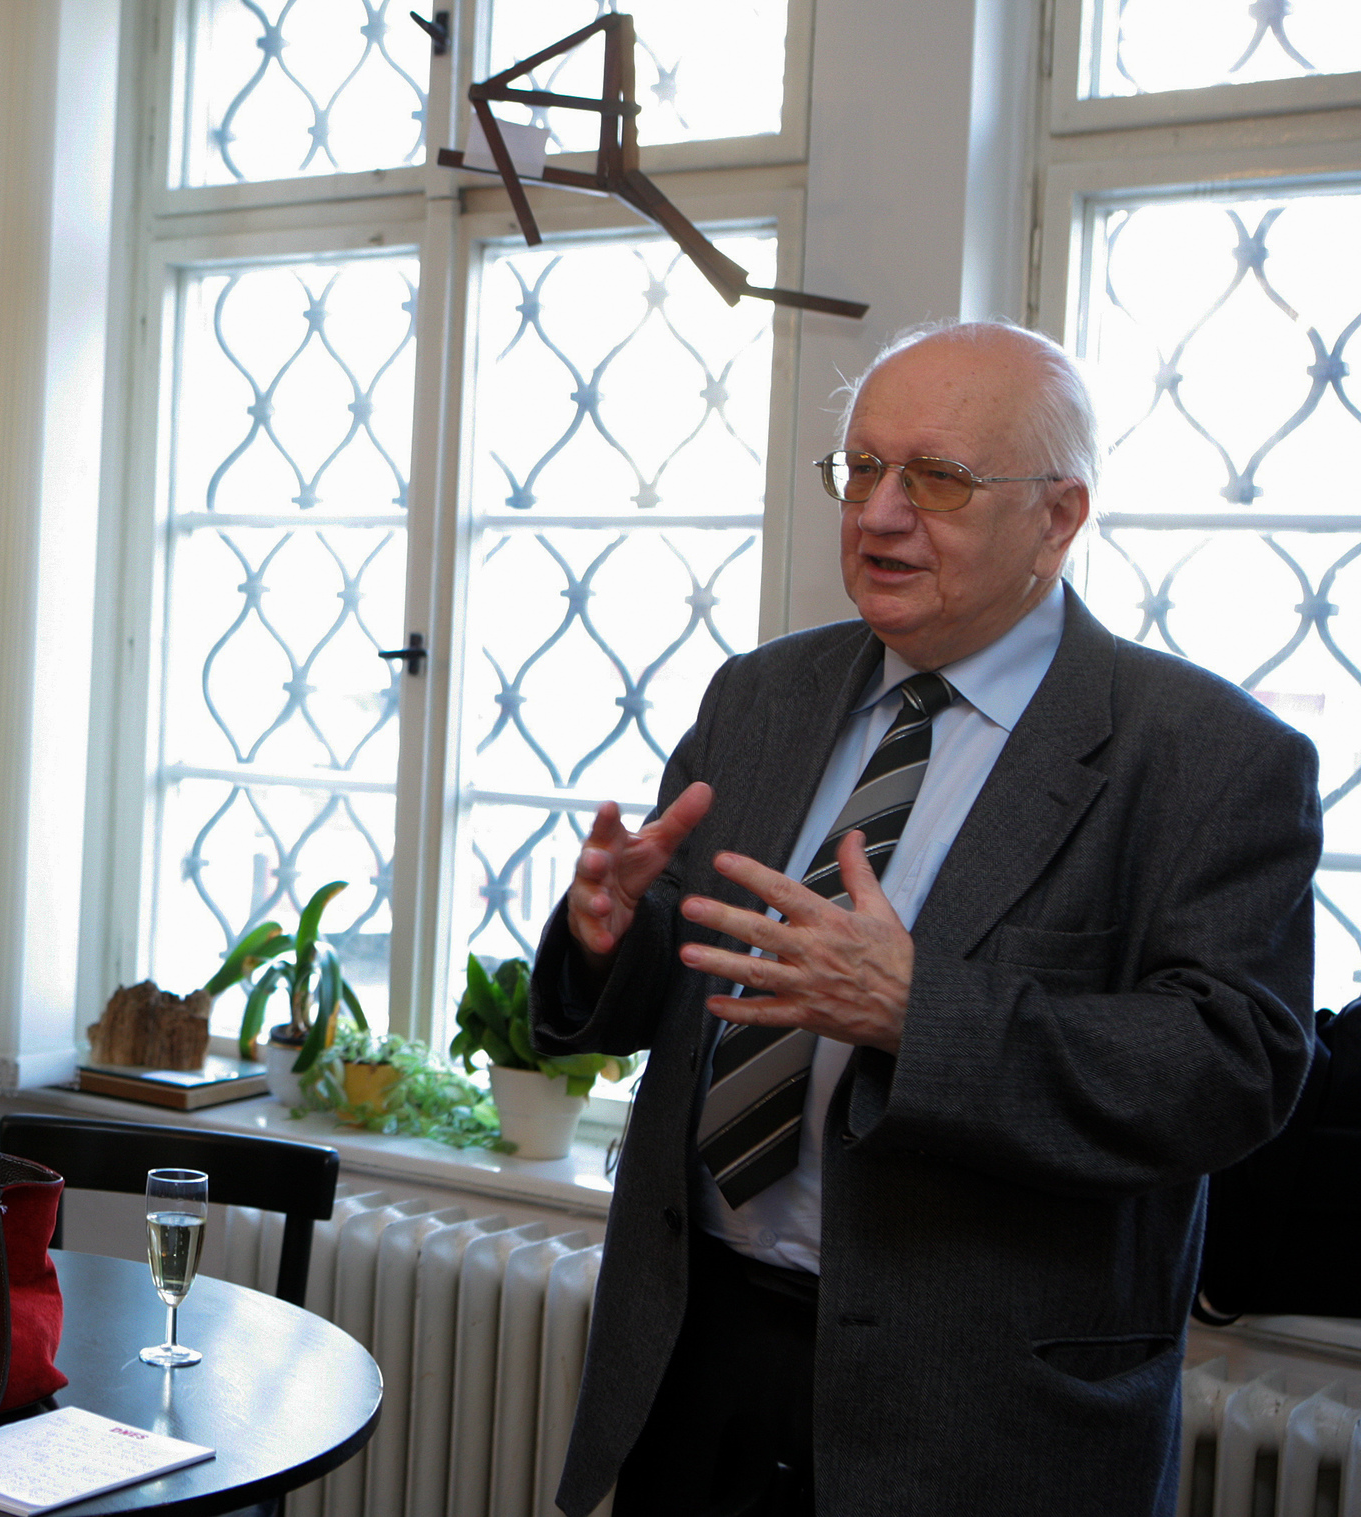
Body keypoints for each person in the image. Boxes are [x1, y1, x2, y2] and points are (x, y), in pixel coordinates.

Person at [531, 321, 1319, 1517]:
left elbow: (1233, 1067)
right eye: (862, 468)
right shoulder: (761, 694)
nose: (880, 514)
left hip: (982, 1412)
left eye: (938, 478)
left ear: (1058, 516)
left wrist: (920, 1010)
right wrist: (608, 937)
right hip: (696, 1352)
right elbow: (691, 979)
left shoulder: (1207, 754)